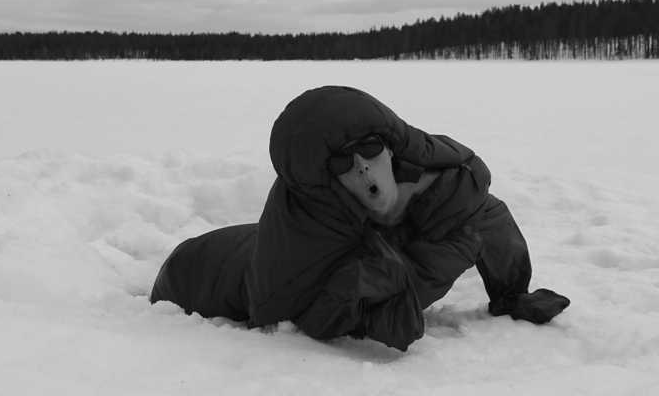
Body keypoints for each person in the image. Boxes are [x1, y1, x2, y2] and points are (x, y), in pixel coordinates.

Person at [150, 85, 569, 351]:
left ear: (390, 148)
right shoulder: (306, 225)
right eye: (341, 163)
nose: (362, 167)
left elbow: (489, 219)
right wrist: (411, 282)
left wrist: (511, 294)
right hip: (193, 271)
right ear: (327, 182)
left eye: (368, 148)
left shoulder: (448, 185)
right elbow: (280, 307)